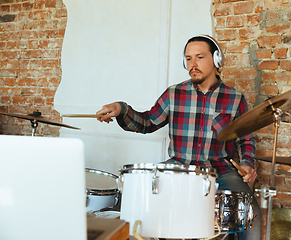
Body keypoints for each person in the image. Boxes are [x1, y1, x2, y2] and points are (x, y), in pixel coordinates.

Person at [96, 35, 261, 240]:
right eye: (188, 58)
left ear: (217, 60)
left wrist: (247, 164)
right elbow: (146, 123)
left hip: (221, 171)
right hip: (178, 168)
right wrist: (121, 109)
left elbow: (244, 138)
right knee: (139, 201)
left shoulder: (235, 98)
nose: (193, 64)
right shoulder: (174, 94)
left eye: (199, 57)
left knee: (251, 215)